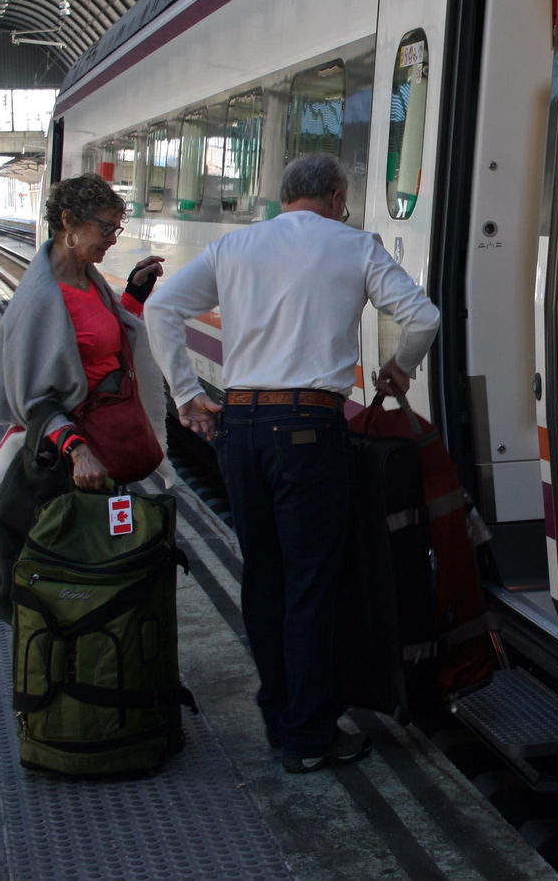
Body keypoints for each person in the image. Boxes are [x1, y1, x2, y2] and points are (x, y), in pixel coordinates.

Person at [143, 153, 440, 773]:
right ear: (335, 196)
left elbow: (160, 307)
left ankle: (280, 715)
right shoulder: (355, 246)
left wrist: (184, 393)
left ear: (284, 197)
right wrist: (399, 369)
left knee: (266, 576)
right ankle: (308, 735)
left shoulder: (236, 247)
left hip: (241, 425)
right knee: (310, 582)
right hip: (307, 427)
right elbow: (424, 317)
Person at [0, 174, 166, 492]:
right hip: (70, 464)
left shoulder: (88, 280)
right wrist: (77, 450)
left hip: (105, 441)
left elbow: (101, 341)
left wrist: (132, 297)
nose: (113, 239)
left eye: (116, 229)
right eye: (106, 228)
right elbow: (34, 398)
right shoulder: (41, 298)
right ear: (69, 221)